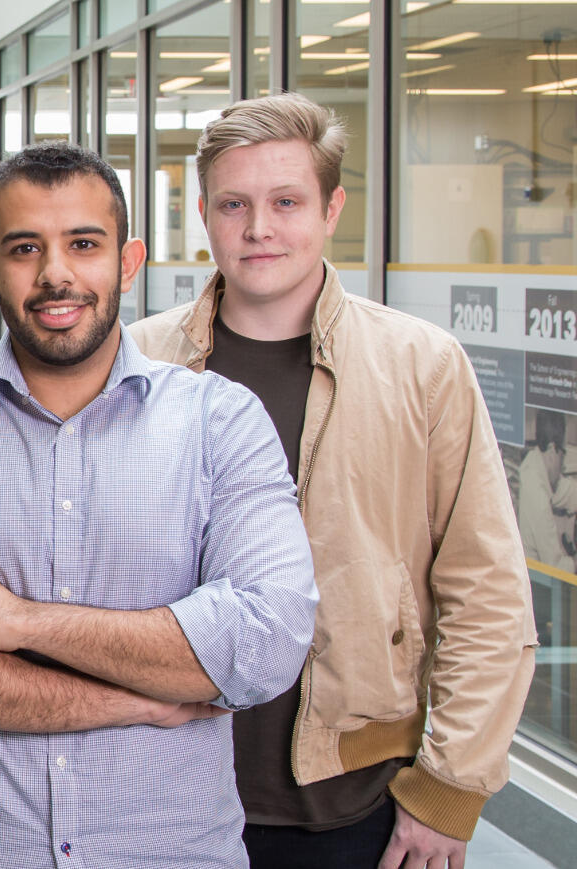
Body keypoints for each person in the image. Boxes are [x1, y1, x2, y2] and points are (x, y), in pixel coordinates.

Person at [0, 140, 318, 868]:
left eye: (84, 244)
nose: (56, 273)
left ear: (128, 261)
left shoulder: (220, 421)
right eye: (25, 248)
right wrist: (143, 697)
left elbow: (264, 639)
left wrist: (21, 623)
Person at [130, 92, 537, 869]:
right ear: (206, 214)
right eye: (233, 204)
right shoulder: (138, 363)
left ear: (332, 208)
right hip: (164, 791)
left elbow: (487, 592)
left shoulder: (422, 365)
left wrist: (448, 791)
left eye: (286, 201)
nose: (258, 228)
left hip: (358, 805)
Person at [520, 410, 576, 573]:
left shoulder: (533, 463)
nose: (563, 465)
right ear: (553, 451)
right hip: (536, 581)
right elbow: (555, 566)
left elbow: (562, 491)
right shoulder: (536, 495)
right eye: (563, 454)